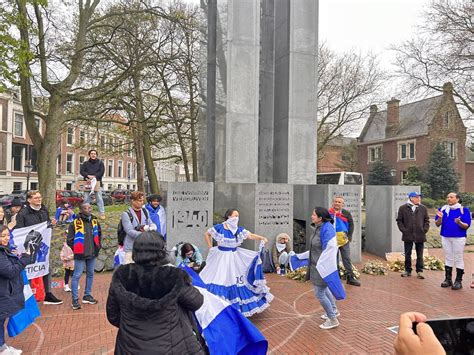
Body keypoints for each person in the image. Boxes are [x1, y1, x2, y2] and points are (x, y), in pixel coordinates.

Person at [106, 231, 206, 355]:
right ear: (161, 251)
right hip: (174, 345)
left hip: (130, 346)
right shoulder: (174, 276)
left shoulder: (121, 276)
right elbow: (196, 301)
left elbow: (113, 316)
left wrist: (134, 324)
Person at [201, 208, 272, 317]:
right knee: (219, 278)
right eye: (235, 216)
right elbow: (207, 234)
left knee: (234, 279)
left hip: (234, 257)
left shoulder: (238, 230)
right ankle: (216, 306)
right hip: (221, 257)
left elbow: (250, 235)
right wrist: (211, 247)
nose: (237, 218)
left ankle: (233, 307)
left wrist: (261, 238)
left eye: (238, 216)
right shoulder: (219, 228)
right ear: (229, 216)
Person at [15, 190, 62, 305]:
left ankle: (48, 294)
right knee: (29, 270)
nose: (39, 199)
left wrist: (52, 224)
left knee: (46, 268)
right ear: (29, 200)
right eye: (36, 198)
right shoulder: (23, 213)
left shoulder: (43, 210)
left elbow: (45, 226)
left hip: (42, 244)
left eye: (39, 197)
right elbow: (20, 232)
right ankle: (26, 297)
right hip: (29, 246)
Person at [0, 225, 35, 355]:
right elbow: (11, 271)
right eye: (2, 236)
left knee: (1, 320)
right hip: (2, 293)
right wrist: (25, 258)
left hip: (4, 292)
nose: (6, 238)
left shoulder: (5, 250)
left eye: (7, 235)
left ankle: (2, 346)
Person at [306, 207, 343, 330]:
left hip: (322, 267)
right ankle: (333, 310)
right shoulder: (319, 228)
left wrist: (322, 265)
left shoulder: (327, 230)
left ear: (320, 218)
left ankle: (332, 319)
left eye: (314, 215)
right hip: (317, 266)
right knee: (324, 288)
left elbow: (330, 249)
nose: (312, 216)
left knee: (320, 293)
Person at [67, 203, 102, 310]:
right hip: (80, 254)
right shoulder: (75, 223)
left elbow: (99, 234)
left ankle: (87, 295)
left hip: (92, 253)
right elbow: (69, 240)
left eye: (90, 207)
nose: (88, 210)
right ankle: (75, 299)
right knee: (77, 275)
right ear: (81, 210)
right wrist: (77, 249)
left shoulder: (95, 221)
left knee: (90, 274)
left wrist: (98, 246)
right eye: (85, 208)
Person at [435, 192, 471, 290]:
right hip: (445, 236)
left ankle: (458, 281)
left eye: (451, 197)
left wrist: (459, 222)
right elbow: (437, 224)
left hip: (458, 237)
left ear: (457, 199)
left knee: (458, 258)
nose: (449, 199)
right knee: (448, 257)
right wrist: (441, 218)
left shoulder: (464, 210)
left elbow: (466, 226)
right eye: (448, 197)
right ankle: (448, 279)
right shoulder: (442, 209)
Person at [396, 192, 430, 279]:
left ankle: (420, 271)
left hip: (420, 235)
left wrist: (424, 230)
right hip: (408, 235)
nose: (419, 199)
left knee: (420, 254)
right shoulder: (403, 208)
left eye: (419, 197)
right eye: (417, 197)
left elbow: (427, 220)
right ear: (411, 198)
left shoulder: (423, 208)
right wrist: (404, 230)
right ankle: (407, 270)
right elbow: (399, 220)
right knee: (407, 253)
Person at [329, 196, 361, 286]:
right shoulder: (329, 213)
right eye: (335, 201)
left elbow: (351, 224)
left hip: (343, 239)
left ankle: (350, 277)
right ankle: (336, 276)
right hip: (332, 239)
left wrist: (349, 236)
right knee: (333, 258)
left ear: (342, 204)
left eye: (339, 202)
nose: (337, 203)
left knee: (346, 258)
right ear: (333, 202)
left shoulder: (346, 213)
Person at [121, 191, 157, 264]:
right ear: (133, 201)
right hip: (131, 248)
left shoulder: (145, 211)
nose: (142, 202)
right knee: (130, 272)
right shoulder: (126, 214)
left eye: (143, 200)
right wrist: (144, 235)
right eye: (140, 200)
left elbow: (150, 222)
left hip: (144, 248)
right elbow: (129, 231)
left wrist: (153, 226)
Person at [80, 149, 105, 220]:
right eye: (92, 154)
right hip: (87, 183)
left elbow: (101, 172)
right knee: (86, 199)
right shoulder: (85, 163)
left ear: (96, 155)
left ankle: (102, 213)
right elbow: (82, 171)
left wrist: (94, 176)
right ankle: (86, 213)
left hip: (97, 182)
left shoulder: (100, 163)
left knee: (99, 198)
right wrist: (88, 175)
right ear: (89, 155)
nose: (93, 155)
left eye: (94, 154)